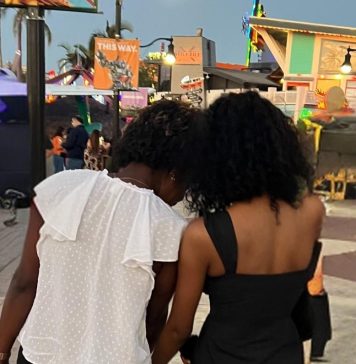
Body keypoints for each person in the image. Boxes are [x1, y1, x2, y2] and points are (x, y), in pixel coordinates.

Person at [0, 100, 207, 364]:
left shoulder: (59, 189)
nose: (180, 197)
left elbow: (23, 282)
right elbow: (154, 320)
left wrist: (2, 351)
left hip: (41, 355)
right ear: (176, 173)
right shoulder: (171, 230)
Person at [152, 91, 325, 364]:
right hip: (285, 353)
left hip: (221, 354)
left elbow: (178, 329)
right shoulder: (313, 211)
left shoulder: (204, 235)